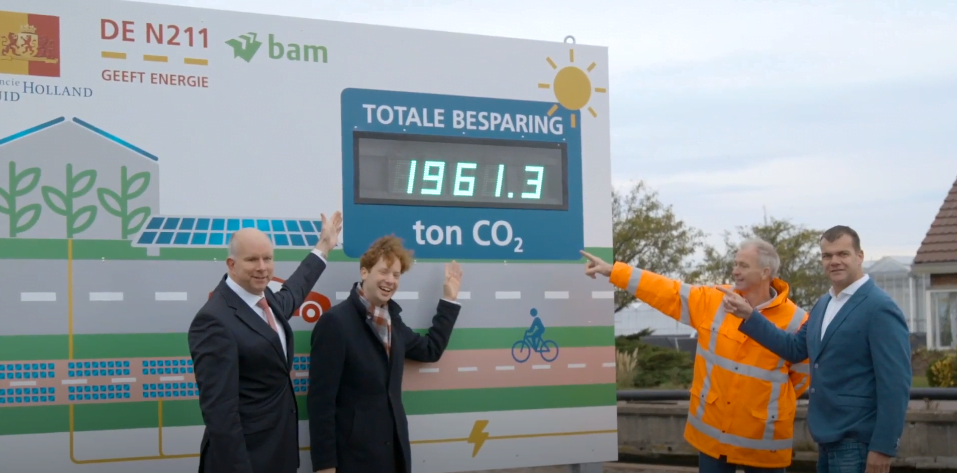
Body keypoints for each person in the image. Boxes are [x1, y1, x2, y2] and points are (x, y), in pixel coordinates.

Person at [581, 239, 810, 473]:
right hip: (713, 433)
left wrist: (762, 404)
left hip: (762, 440)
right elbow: (666, 291)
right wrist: (614, 271)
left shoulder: (796, 320)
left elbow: (801, 378)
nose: (735, 271)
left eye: (743, 265)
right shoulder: (714, 301)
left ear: (765, 272)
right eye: (735, 264)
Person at [720, 226, 911, 473]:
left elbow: (895, 384)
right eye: (827, 255)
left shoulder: (880, 307)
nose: (834, 261)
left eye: (842, 254)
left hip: (858, 442)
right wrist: (750, 316)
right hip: (827, 438)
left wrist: (883, 447)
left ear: (860, 256)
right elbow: (794, 348)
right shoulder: (824, 304)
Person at [188, 211, 343, 473]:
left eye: (268, 258)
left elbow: (294, 291)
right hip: (246, 461)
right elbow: (220, 415)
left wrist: (324, 247)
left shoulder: (264, 297)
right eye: (252, 259)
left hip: (278, 454)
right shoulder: (213, 321)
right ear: (231, 264)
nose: (262, 267)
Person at [307, 235, 463, 473]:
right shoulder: (335, 323)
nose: (390, 280)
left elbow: (430, 350)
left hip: (393, 456)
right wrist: (325, 465)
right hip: (355, 460)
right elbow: (321, 402)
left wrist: (449, 300)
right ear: (365, 272)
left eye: (396, 275)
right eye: (384, 271)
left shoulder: (393, 322)